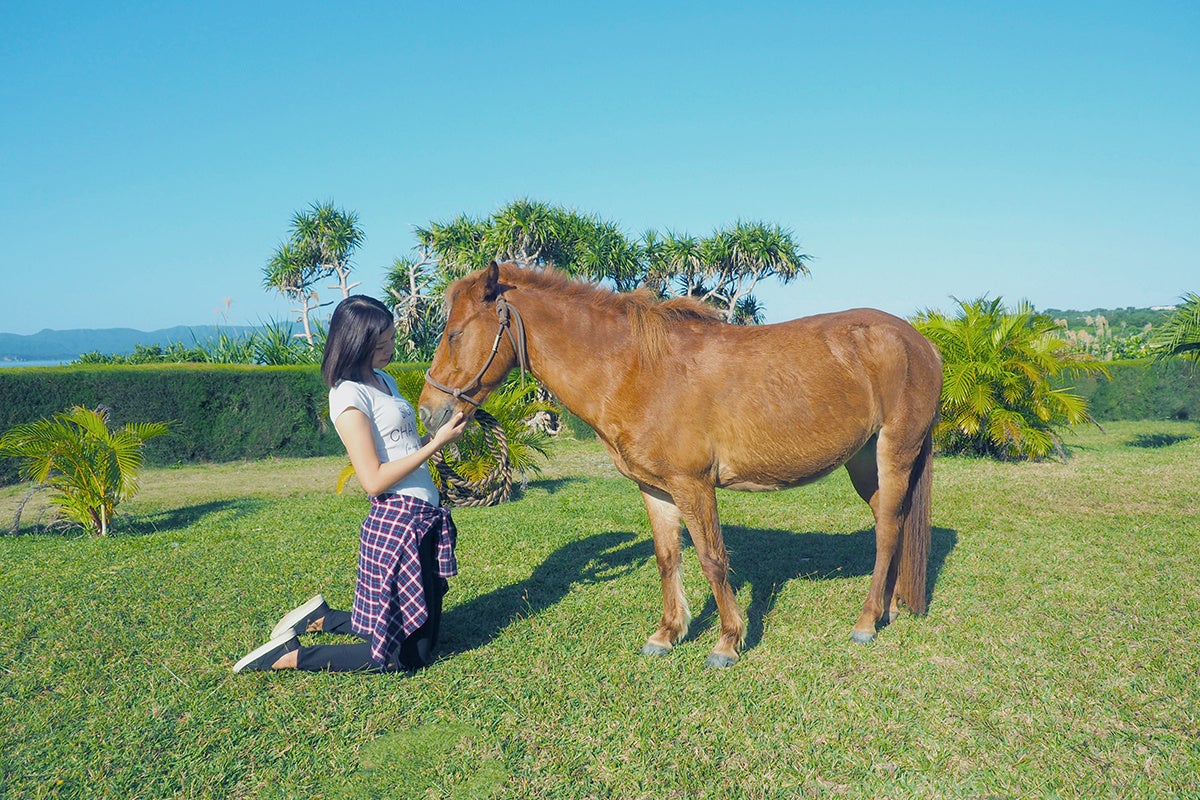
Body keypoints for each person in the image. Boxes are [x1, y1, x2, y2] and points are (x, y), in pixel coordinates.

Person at [233, 295, 469, 673]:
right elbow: (373, 480)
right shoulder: (347, 395)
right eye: (380, 345)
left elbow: (402, 451)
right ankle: (287, 656)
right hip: (398, 522)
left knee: (429, 638)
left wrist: (438, 438)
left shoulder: (385, 381)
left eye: (391, 339)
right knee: (406, 658)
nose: (390, 349)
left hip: (426, 516)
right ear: (356, 344)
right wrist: (436, 445)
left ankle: (322, 618)